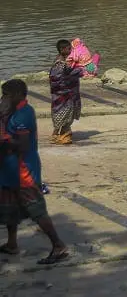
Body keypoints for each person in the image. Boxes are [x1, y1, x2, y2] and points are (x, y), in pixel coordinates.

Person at [0, 79, 68, 264]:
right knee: (9, 207)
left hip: (23, 171)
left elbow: (22, 145)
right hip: (8, 170)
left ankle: (58, 245)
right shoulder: (9, 112)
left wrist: (4, 141)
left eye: (6, 94)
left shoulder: (23, 114)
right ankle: (12, 243)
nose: (3, 98)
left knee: (36, 209)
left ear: (17, 95)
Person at [49, 40, 83, 145]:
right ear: (62, 49)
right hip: (63, 94)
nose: (71, 50)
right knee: (64, 114)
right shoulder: (59, 63)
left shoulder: (65, 61)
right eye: (69, 48)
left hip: (69, 93)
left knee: (67, 114)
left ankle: (59, 133)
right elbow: (58, 80)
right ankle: (63, 135)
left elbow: (67, 73)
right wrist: (78, 72)